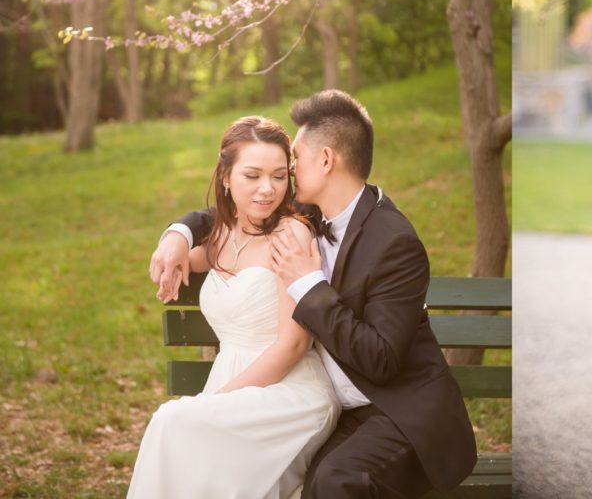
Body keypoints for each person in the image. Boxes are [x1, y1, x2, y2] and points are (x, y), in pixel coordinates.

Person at [149, 90, 477, 499]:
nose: (283, 175)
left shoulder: (393, 241)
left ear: (324, 161)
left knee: (331, 482)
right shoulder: (314, 210)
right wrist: (178, 233)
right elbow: (230, 213)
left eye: (293, 162)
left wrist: (308, 284)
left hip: (397, 409)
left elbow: (382, 360)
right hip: (332, 407)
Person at [128, 115, 340, 498]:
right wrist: (174, 236)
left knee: (171, 421)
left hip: (289, 392)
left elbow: (293, 346)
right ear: (226, 178)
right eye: (252, 175)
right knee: (184, 443)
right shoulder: (222, 236)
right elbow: (184, 256)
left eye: (279, 176)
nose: (267, 189)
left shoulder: (291, 234)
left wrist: (219, 400)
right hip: (234, 384)